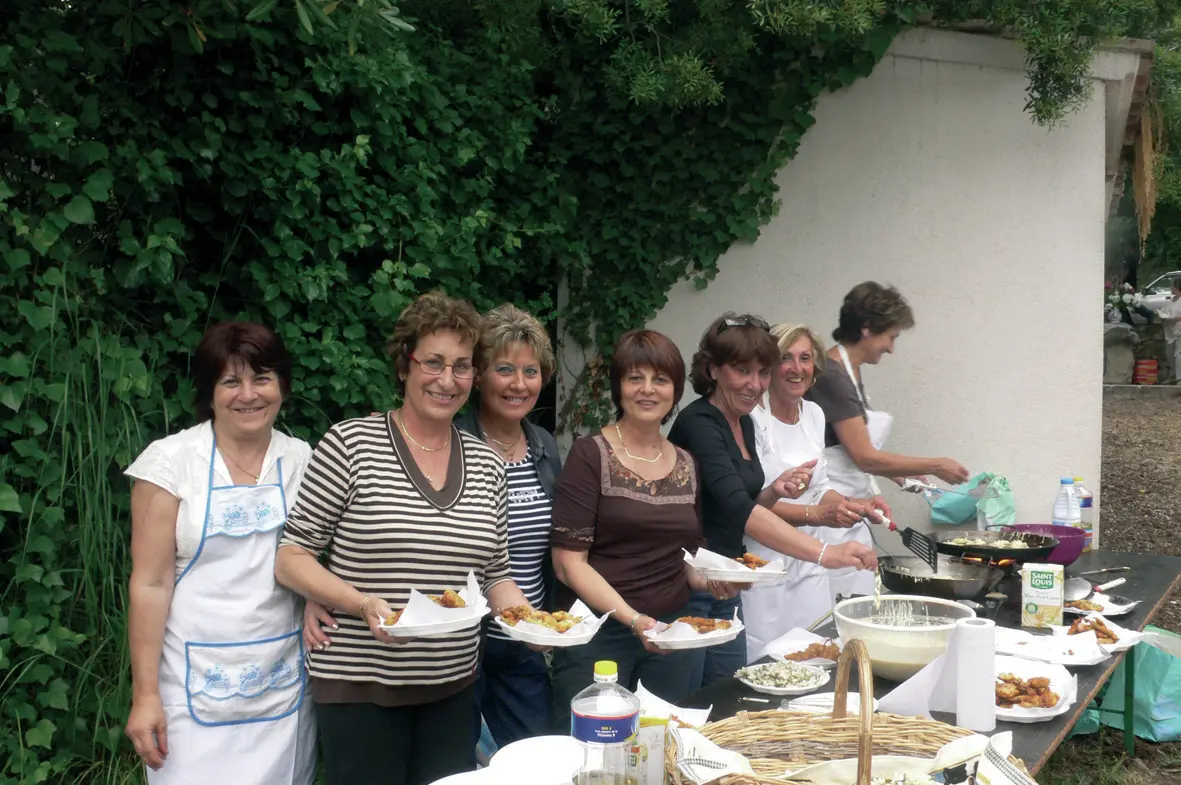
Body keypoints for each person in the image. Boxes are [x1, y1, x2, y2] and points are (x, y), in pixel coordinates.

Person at [274, 291, 536, 785]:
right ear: (404, 366)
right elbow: (292, 557)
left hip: (453, 687)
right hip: (361, 685)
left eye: (461, 366)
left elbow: (496, 573)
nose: (447, 379)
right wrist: (360, 602)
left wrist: (532, 623)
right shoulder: (350, 444)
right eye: (432, 362)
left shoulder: (487, 465)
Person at [123, 322, 316, 785]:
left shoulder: (303, 459)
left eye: (262, 378)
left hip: (281, 687)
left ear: (283, 387)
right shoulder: (169, 463)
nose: (248, 394)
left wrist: (317, 598)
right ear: (209, 393)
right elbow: (150, 584)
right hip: (188, 690)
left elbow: (315, 558)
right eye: (231, 381)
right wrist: (145, 694)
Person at [668, 314, 878, 689]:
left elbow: (748, 500)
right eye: (742, 371)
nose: (754, 385)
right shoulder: (699, 422)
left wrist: (773, 490)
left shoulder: (743, 421)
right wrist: (823, 553)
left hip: (728, 579)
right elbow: (736, 508)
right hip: (693, 586)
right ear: (713, 369)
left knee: (735, 690)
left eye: (762, 373)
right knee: (697, 699)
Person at [549, 329, 744, 728]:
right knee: (594, 755)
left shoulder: (687, 463)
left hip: (673, 639)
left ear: (674, 389)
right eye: (635, 378)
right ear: (618, 387)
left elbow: (687, 559)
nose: (647, 390)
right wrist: (635, 619)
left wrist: (717, 579)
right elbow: (569, 564)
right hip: (599, 640)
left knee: (663, 752)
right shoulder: (591, 454)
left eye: (660, 379)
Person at [806, 282, 969, 599]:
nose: (892, 348)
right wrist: (935, 465)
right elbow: (865, 457)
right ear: (867, 329)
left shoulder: (849, 371)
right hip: (831, 511)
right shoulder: (833, 377)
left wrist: (901, 475)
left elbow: (851, 449)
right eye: (890, 337)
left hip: (853, 505)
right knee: (836, 604)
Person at [743, 323, 890, 662]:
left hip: (809, 558)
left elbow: (820, 486)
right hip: (763, 561)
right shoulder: (752, 418)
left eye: (805, 358)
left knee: (814, 656)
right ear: (768, 366)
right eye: (786, 358)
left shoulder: (814, 413)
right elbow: (751, 504)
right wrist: (819, 515)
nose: (797, 368)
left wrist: (856, 504)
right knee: (763, 662)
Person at [455, 304, 562, 748]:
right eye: (505, 369)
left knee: (530, 758)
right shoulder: (452, 442)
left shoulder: (545, 446)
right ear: (479, 375)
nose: (519, 384)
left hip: (526, 643)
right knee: (458, 762)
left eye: (531, 371)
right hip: (464, 645)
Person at [1157, 277, 1181, 382]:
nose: (1171, 287)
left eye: (1172, 285)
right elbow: (1164, 311)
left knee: (1178, 354)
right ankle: (1175, 375)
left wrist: (1176, 319)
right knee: (1169, 354)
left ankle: (1179, 378)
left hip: (1179, 330)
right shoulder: (1171, 300)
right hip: (1170, 330)